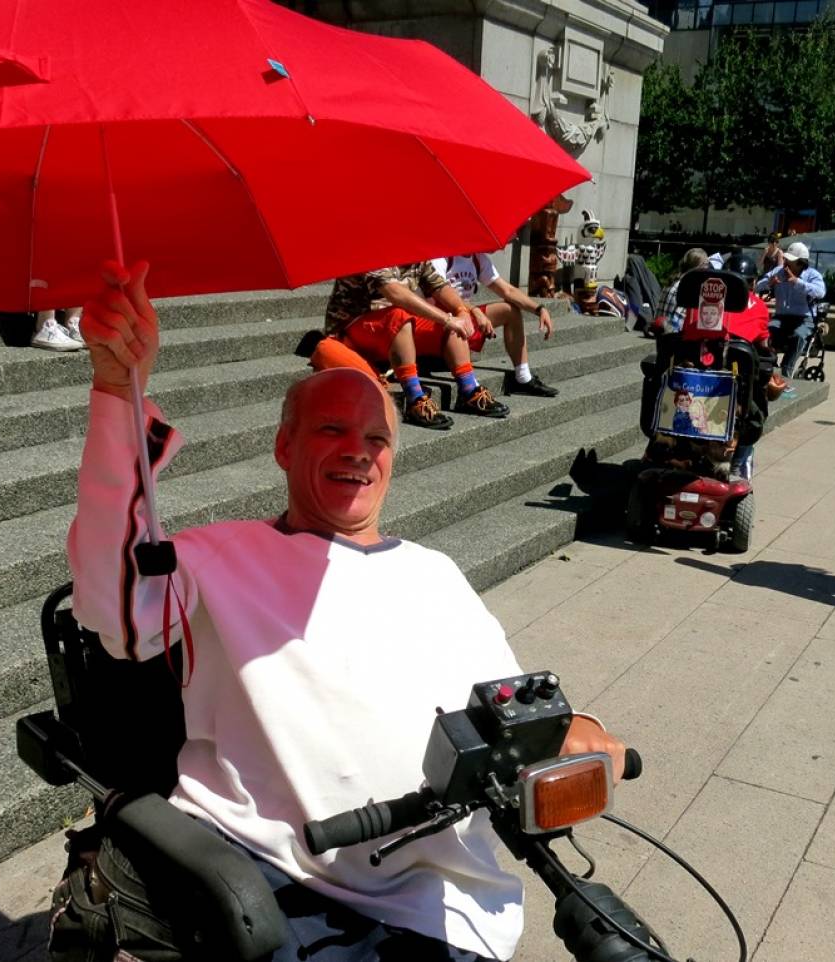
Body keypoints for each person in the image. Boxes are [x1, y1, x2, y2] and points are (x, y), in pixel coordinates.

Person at [68, 261, 627, 962]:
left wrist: (576, 724)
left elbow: (508, 702)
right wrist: (120, 388)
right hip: (279, 882)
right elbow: (110, 602)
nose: (358, 455)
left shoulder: (434, 573)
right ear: (284, 446)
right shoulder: (218, 556)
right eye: (332, 430)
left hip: (448, 902)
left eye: (377, 440)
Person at [324, 264, 510, 430]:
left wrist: (460, 311)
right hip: (353, 326)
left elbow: (439, 286)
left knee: (452, 322)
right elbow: (394, 292)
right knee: (402, 317)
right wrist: (446, 319)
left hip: (394, 326)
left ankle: (469, 390)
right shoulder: (372, 251)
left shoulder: (416, 255)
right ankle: (415, 399)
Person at [430, 254, 558, 397]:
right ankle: (471, 389)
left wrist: (539, 309)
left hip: (464, 320)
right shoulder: (441, 259)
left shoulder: (478, 259)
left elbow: (507, 290)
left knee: (510, 311)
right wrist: (474, 310)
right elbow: (441, 293)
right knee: (457, 322)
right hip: (439, 325)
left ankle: (523, 377)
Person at [755, 241, 825, 384]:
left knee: (799, 335)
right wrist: (769, 283)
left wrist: (797, 282)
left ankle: (787, 371)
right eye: (786, 259)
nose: (786, 262)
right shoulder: (778, 271)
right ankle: (768, 366)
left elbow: (820, 292)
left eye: (790, 261)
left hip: (804, 318)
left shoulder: (812, 275)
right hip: (781, 317)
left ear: (800, 263)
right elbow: (756, 286)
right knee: (765, 332)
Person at [657, 248, 709, 336]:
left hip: (660, 328)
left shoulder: (674, 279)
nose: (708, 268)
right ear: (699, 266)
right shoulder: (689, 286)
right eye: (706, 264)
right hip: (673, 333)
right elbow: (680, 320)